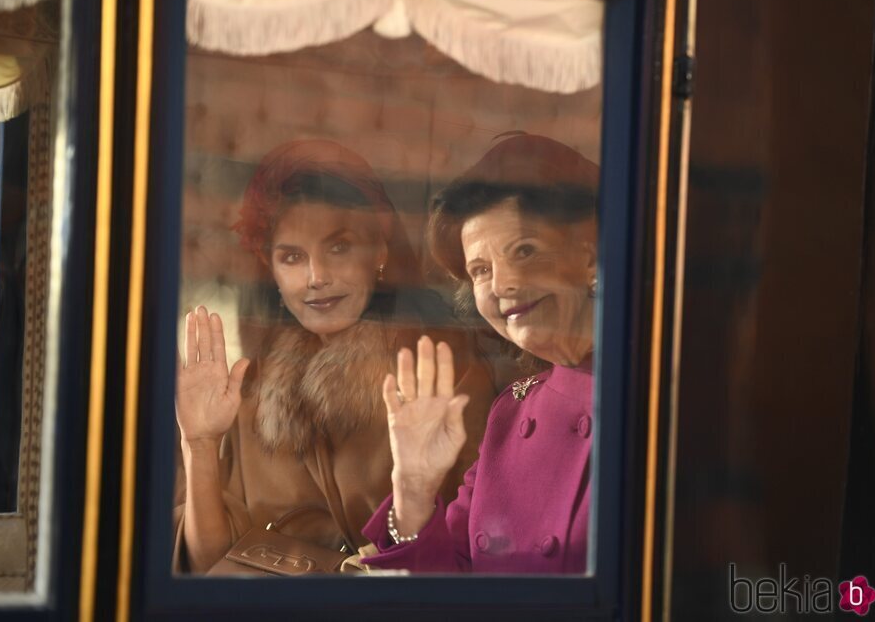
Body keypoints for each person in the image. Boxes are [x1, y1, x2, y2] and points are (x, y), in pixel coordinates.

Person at [173, 139, 495, 574]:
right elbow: (209, 565)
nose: (317, 277)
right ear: (272, 272)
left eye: (339, 247)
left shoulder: (446, 372)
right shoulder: (249, 387)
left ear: (379, 251)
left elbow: (466, 556)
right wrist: (200, 444)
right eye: (292, 257)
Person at [361, 133, 599, 573]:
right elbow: (449, 585)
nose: (503, 285)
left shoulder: (654, 396)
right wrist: (413, 489)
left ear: (590, 257)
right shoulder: (510, 412)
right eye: (481, 270)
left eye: (524, 251)